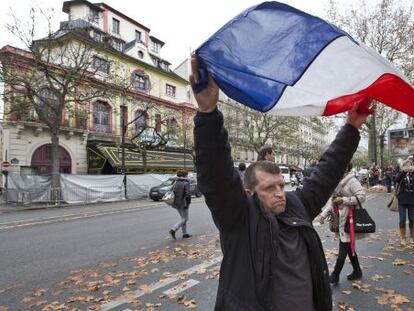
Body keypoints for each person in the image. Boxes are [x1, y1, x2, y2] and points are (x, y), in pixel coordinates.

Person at [190, 54, 370, 311]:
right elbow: (215, 174)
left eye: (281, 186)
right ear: (249, 192)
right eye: (269, 188)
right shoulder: (239, 218)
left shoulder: (297, 206)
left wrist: (351, 127)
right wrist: (207, 113)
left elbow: (327, 171)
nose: (280, 193)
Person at [319, 162, 366, 285]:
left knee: (343, 248)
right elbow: (333, 201)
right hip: (341, 220)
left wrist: (344, 199)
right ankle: (357, 271)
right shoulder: (336, 180)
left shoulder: (352, 181)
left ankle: (335, 275)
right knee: (349, 248)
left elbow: (362, 196)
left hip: (349, 220)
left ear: (347, 167)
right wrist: (323, 215)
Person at [394, 158, 414, 245]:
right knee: (402, 219)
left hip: (412, 200)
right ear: (403, 166)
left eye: (410, 165)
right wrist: (404, 171)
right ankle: (403, 238)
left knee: (412, 219)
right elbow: (396, 179)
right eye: (406, 165)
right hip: (402, 200)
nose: (408, 166)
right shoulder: (401, 174)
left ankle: (412, 237)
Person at [169, 169, 192, 240]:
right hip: (183, 203)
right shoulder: (186, 183)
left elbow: (171, 190)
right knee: (185, 219)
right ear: (184, 175)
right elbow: (188, 194)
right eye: (186, 174)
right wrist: (188, 203)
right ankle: (173, 229)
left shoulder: (175, 182)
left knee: (183, 218)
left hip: (176, 203)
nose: (187, 175)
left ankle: (184, 234)